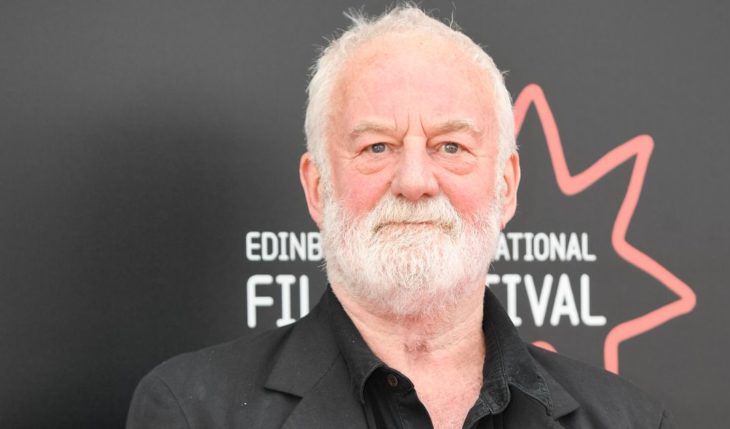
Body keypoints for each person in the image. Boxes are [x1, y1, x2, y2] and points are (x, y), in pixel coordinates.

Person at [127, 5, 673, 428]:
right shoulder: (195, 412)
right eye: (378, 147)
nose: (414, 181)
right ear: (318, 187)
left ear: (505, 186)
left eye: (451, 146)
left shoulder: (626, 420)